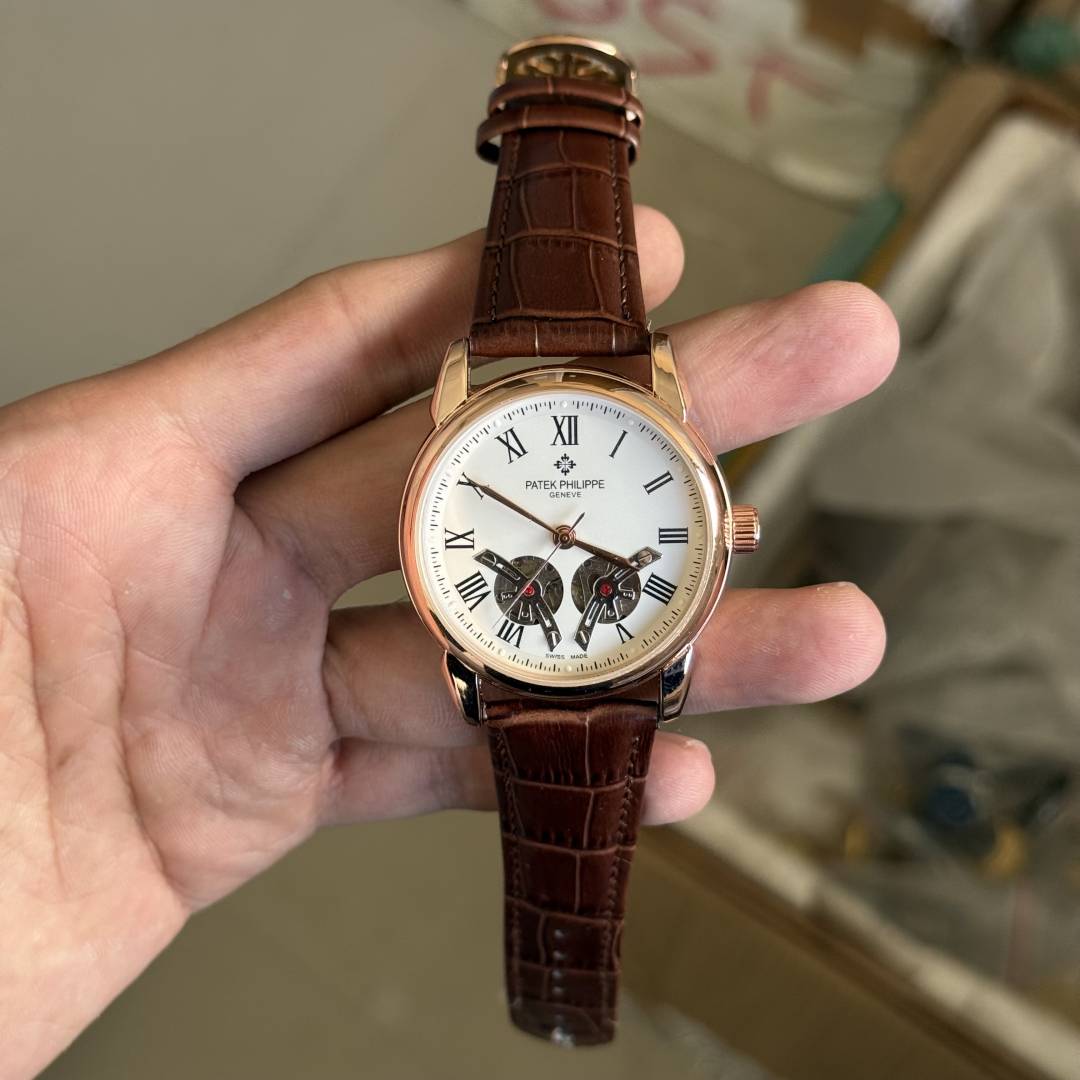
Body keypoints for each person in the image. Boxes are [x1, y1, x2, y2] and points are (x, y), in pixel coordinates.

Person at [0, 208, 896, 1076]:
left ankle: (562, 995)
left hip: (585, 650)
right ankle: (558, 996)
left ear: (724, 529)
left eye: (567, 536)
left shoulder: (629, 446)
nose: (560, 539)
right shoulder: (556, 463)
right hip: (525, 649)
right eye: (555, 535)